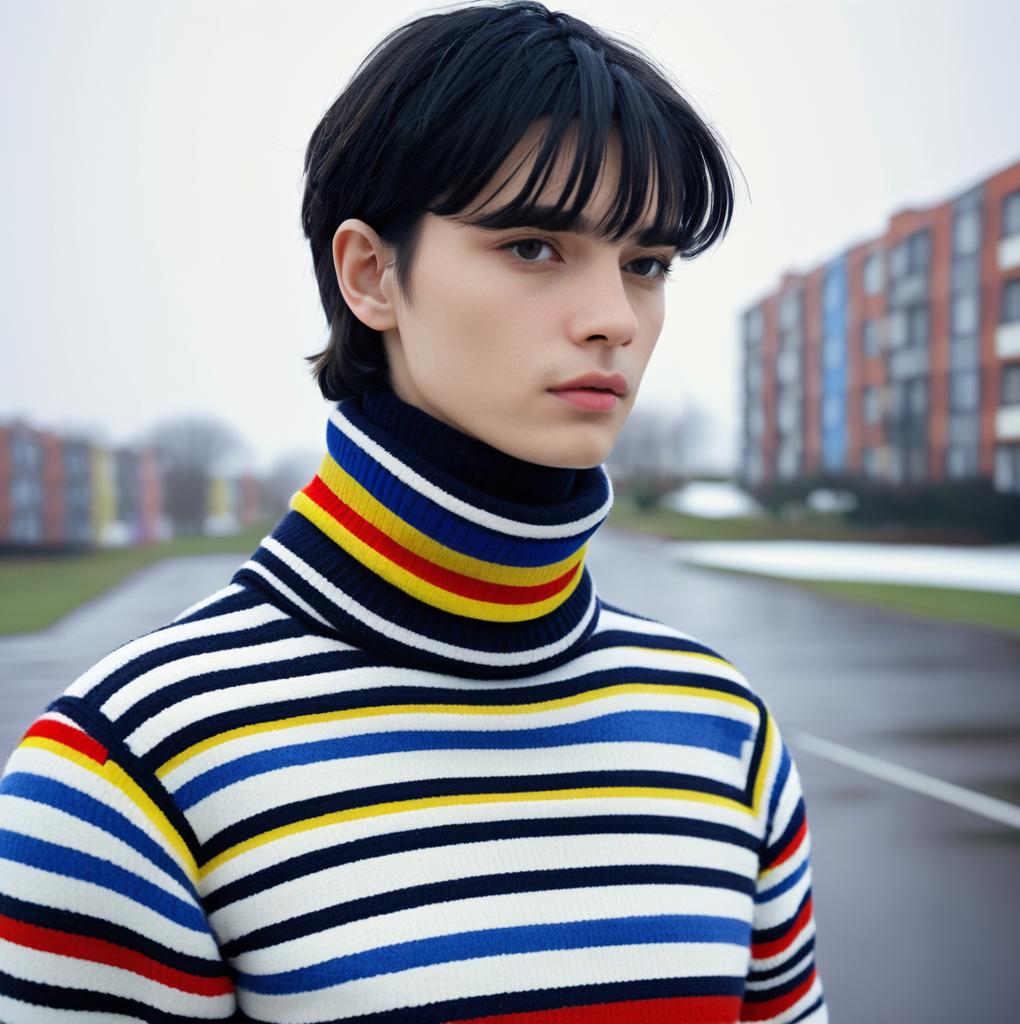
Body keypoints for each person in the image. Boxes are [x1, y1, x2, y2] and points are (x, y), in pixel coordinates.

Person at [0, 2, 828, 1021]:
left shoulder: (720, 728)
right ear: (370, 274)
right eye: (533, 246)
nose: (614, 316)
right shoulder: (132, 767)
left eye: (646, 264)